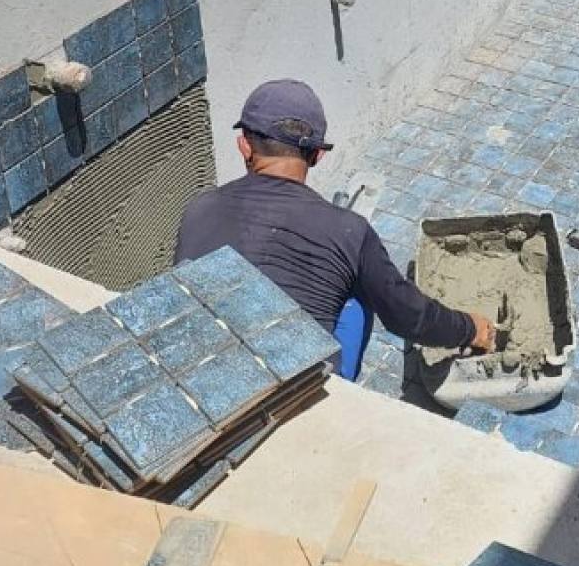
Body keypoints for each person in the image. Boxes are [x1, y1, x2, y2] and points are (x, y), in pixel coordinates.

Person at [175, 79, 495, 379]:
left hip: (195, 382)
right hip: (295, 398)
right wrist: (470, 328)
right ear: (318, 155)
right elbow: (407, 315)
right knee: (359, 296)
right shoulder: (349, 231)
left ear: (244, 145)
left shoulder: (198, 209)